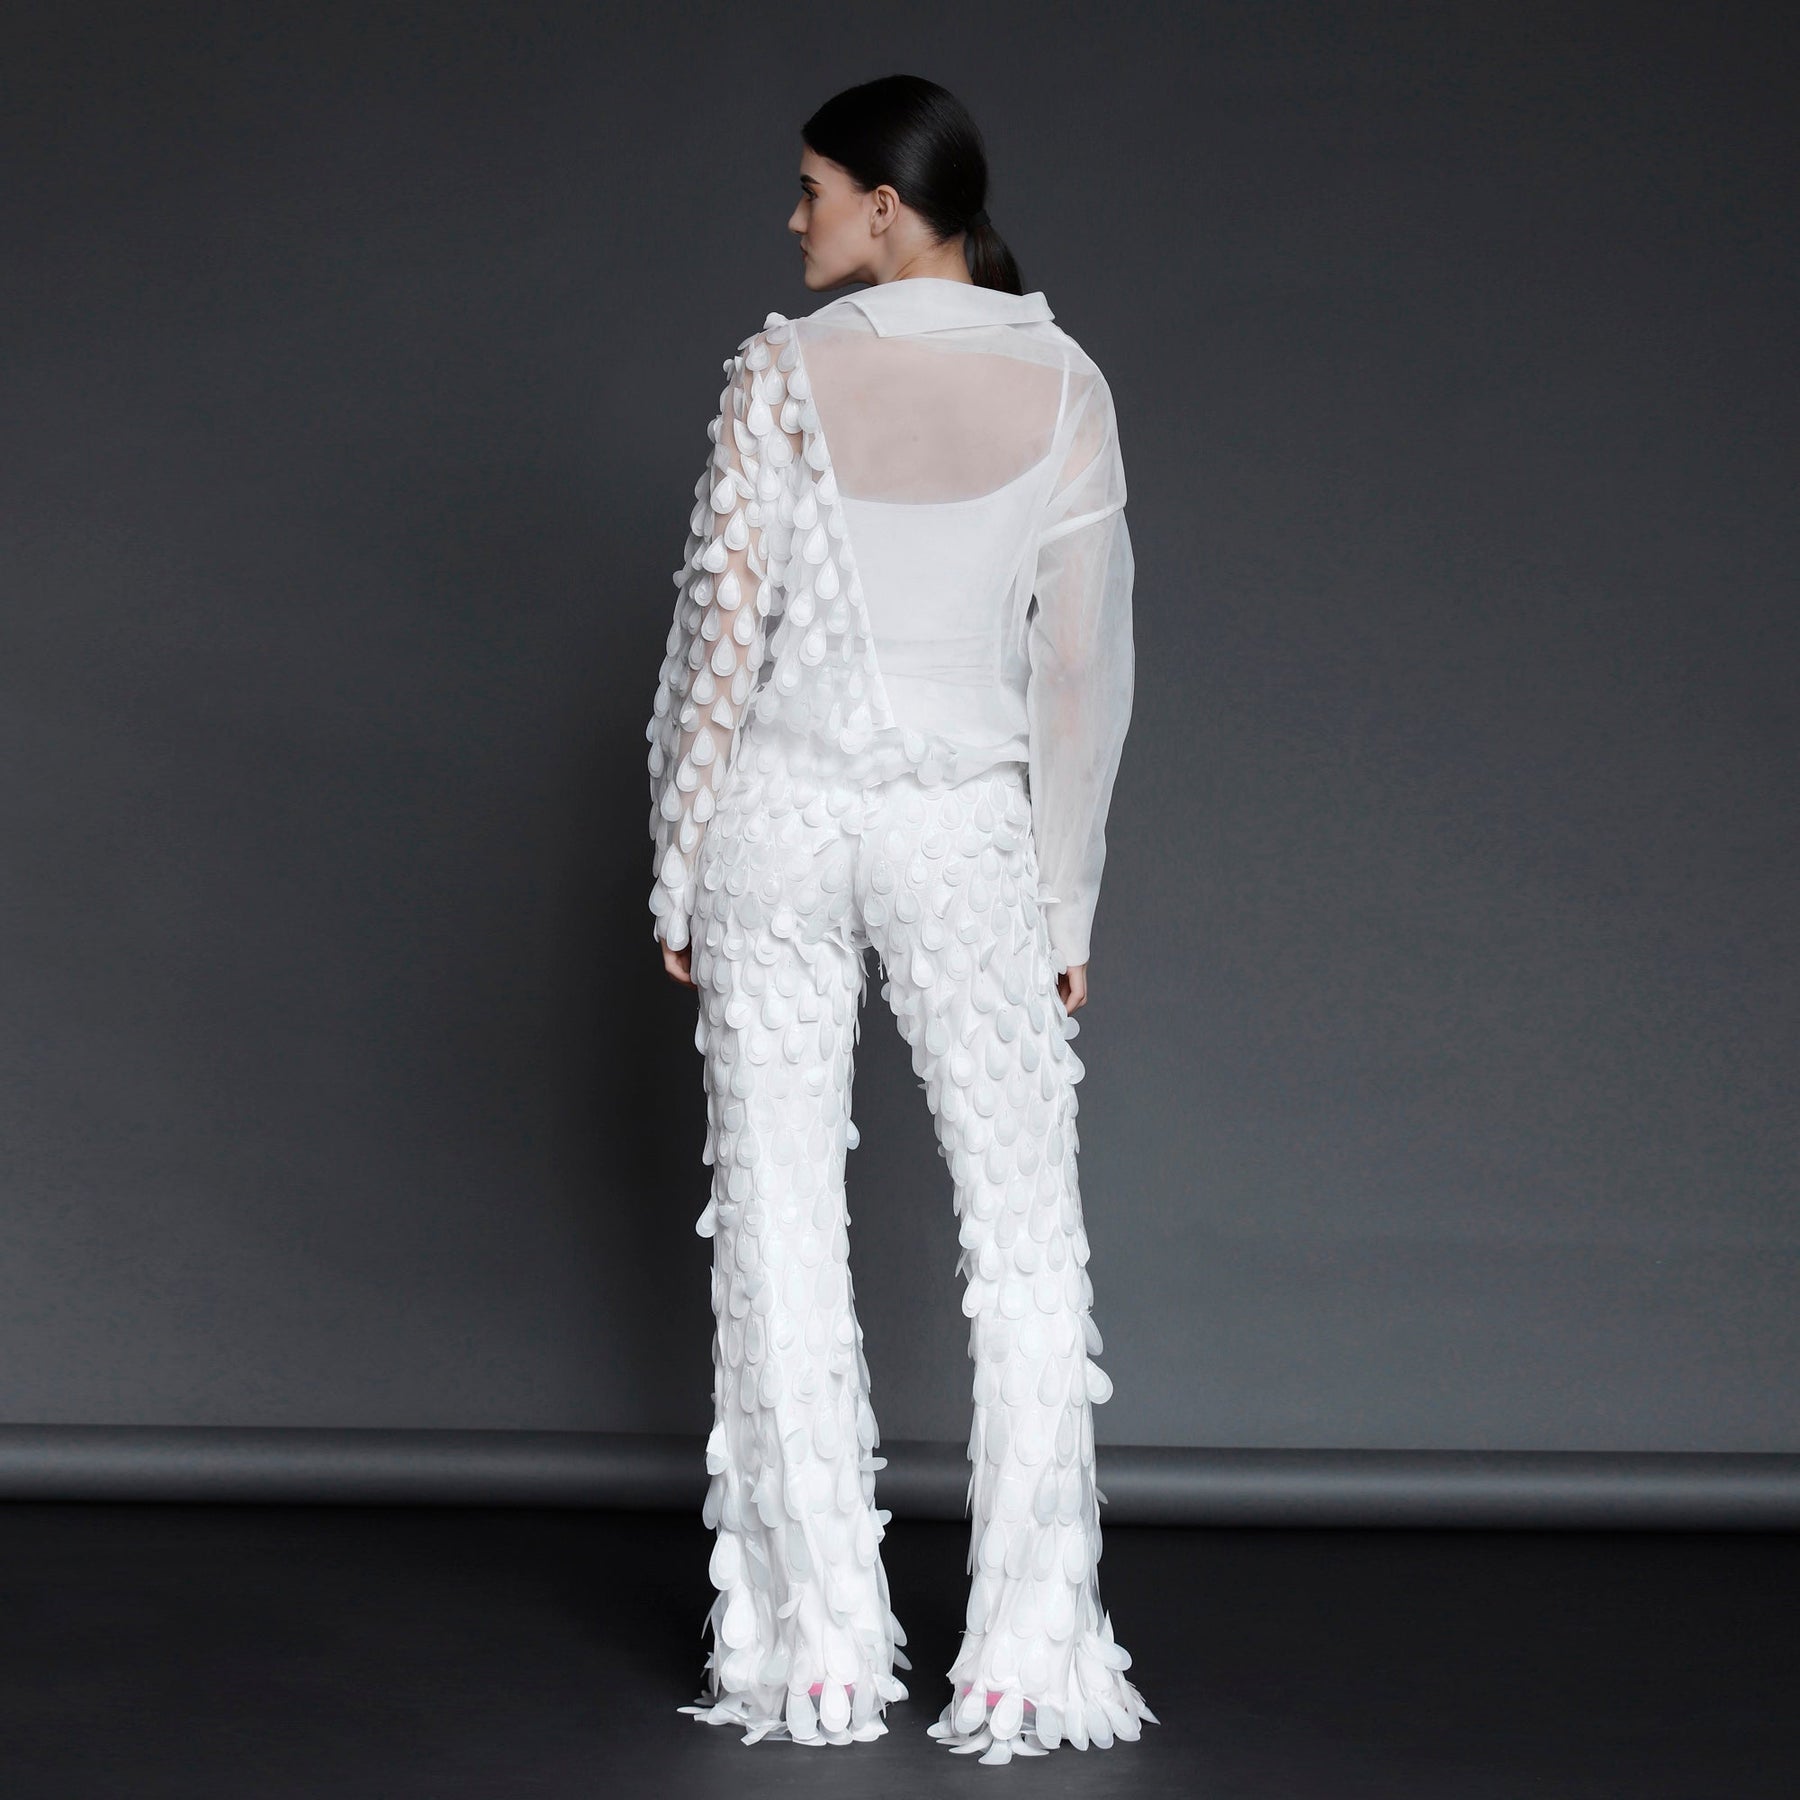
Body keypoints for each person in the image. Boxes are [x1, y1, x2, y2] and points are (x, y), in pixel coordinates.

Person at [644, 73, 1152, 1764]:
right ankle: (1022, 1659)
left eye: (810, 189)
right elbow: (1079, 674)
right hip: (962, 839)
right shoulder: (1066, 384)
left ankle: (816, 1658)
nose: (790, 219)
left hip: (779, 828)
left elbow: (722, 640)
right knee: (1025, 1235)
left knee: (776, 1218)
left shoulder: (778, 374)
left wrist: (676, 862)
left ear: (884, 203)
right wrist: (1068, 898)